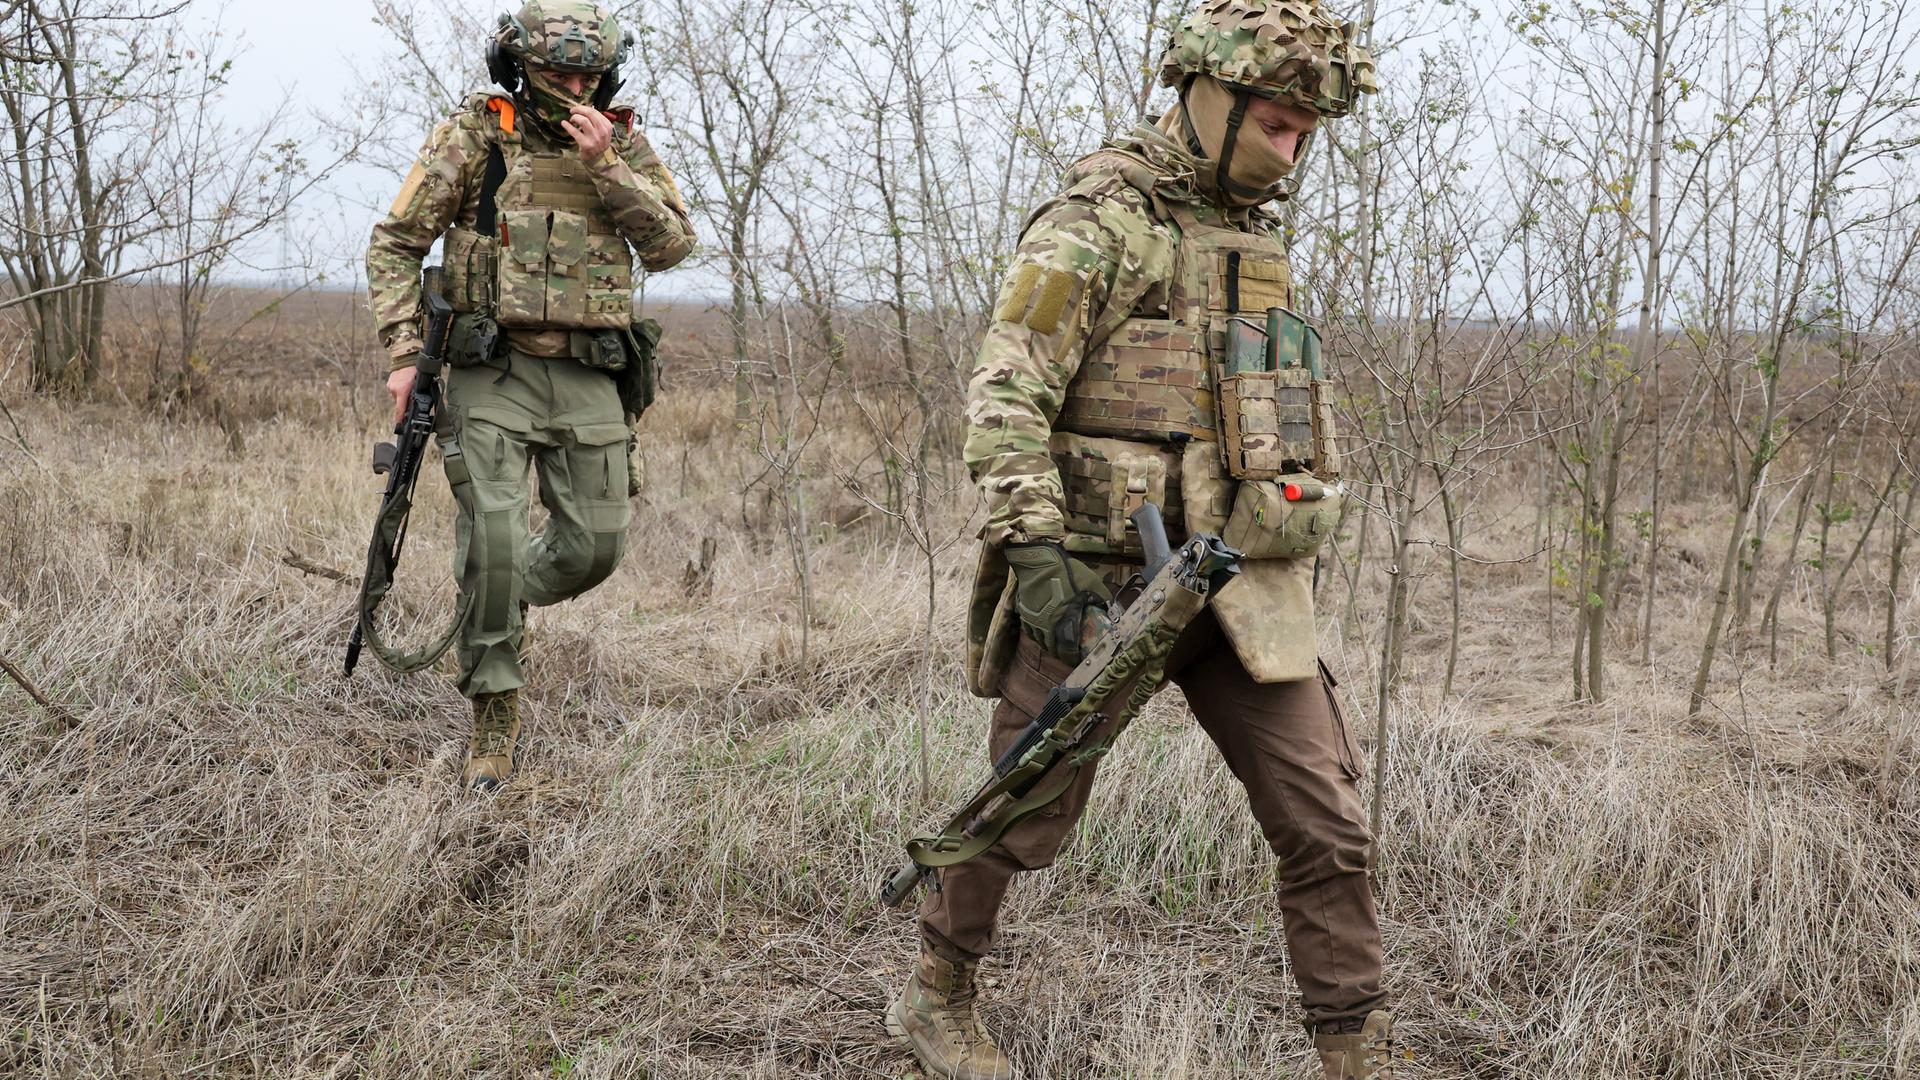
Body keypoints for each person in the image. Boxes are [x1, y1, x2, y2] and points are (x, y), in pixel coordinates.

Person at [887, 1, 1393, 1077]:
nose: (1291, 151)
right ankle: (936, 995)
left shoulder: (1256, 239)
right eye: (1276, 125)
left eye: (1307, 132)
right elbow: (1005, 395)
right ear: (1211, 98)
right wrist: (1037, 554)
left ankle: (1357, 1050)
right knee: (1020, 805)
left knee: (1328, 823)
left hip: (1241, 580)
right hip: (1102, 581)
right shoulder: (1099, 218)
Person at [365, 0, 694, 791]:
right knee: (497, 537)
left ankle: (498, 596)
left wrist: (607, 164)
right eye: (559, 75)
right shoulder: (478, 134)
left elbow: (672, 246)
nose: (576, 89)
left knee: (594, 550)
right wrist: (405, 355)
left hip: (588, 372)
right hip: (492, 369)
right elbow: (396, 244)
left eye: (589, 75)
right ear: (520, 66)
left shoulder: (621, 142)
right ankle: (495, 709)